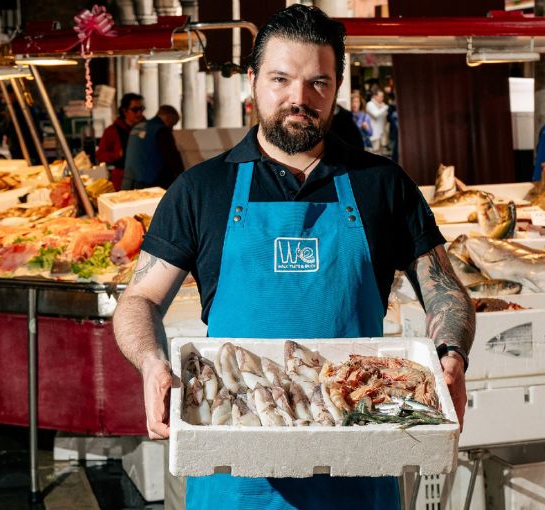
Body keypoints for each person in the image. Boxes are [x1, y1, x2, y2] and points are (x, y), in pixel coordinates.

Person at [112, 6, 474, 510]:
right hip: (234, 468)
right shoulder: (201, 190)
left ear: (337, 87)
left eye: (318, 82)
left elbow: (445, 290)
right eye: (281, 79)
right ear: (253, 82)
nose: (299, 98)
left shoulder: (382, 185)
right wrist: (153, 364)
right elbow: (139, 300)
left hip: (358, 465)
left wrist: (451, 355)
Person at [122, 105, 184, 190]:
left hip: (128, 182)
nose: (172, 129)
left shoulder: (137, 127)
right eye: (173, 124)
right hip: (147, 184)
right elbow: (173, 158)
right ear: (169, 118)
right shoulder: (161, 130)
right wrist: (183, 176)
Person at [96, 93, 145, 190]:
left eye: (141, 109)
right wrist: (116, 154)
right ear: (124, 111)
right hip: (122, 177)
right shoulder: (112, 131)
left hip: (144, 176)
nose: (139, 113)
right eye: (135, 110)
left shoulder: (148, 127)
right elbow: (100, 155)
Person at [365, 88, 389, 154]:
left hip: (381, 134)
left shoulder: (382, 105)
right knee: (374, 154)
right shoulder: (370, 104)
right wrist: (385, 107)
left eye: (383, 96)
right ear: (375, 96)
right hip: (374, 134)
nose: (382, 98)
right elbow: (376, 114)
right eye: (380, 96)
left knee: (381, 154)